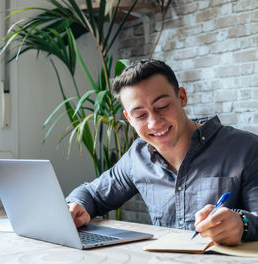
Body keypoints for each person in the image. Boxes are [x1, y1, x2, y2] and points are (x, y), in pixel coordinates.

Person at [66, 59, 258, 245]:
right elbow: (91, 194)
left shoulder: (246, 148)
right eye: (140, 115)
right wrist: (76, 206)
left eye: (163, 106)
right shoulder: (137, 156)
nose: (154, 123)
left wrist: (243, 224)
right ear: (129, 118)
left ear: (182, 97)